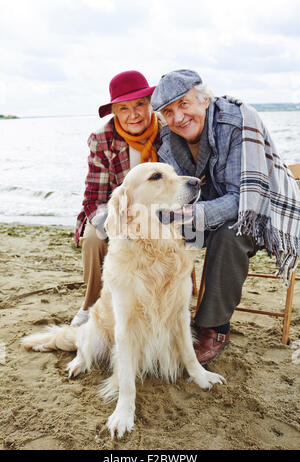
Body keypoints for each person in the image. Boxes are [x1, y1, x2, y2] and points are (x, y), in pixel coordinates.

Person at [151, 69, 300, 365]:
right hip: (202, 208)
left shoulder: (236, 122)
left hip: (255, 211)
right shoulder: (168, 139)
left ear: (204, 99)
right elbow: (171, 192)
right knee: (157, 231)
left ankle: (213, 328)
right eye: (168, 111)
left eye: (184, 104)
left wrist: (190, 214)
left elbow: (239, 200)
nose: (178, 117)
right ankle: (162, 319)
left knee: (229, 235)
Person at [72, 70, 162, 326]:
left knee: (176, 236)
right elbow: (94, 198)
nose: (133, 114)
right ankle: (91, 304)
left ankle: (169, 304)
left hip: (159, 213)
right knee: (93, 238)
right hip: (116, 212)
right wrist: (120, 227)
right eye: (124, 108)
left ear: (150, 104)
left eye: (140, 105)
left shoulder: (166, 132)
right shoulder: (102, 139)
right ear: (114, 111)